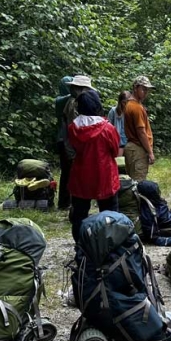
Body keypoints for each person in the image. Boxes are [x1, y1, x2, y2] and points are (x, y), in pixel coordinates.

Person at [67, 91, 122, 243]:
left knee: (79, 214)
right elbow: (115, 150)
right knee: (110, 213)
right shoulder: (107, 128)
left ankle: (80, 246)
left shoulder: (73, 128)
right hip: (104, 175)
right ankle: (110, 245)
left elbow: (73, 147)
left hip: (81, 175)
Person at [123, 76, 155, 181]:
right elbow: (141, 132)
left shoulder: (130, 104)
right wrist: (150, 152)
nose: (145, 92)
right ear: (135, 88)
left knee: (133, 180)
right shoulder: (136, 107)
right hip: (137, 148)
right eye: (143, 89)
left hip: (132, 148)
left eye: (147, 90)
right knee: (139, 183)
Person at [54, 75, 74, 210]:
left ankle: (69, 200)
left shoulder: (69, 100)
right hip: (64, 139)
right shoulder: (61, 100)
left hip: (67, 138)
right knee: (67, 171)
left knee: (70, 171)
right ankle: (64, 202)